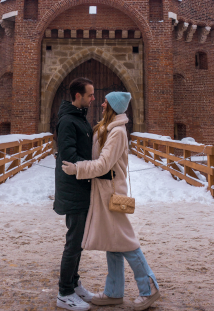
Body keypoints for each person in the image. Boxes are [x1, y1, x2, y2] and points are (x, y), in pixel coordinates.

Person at [62, 92, 161, 311]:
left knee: (126, 241)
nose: (103, 102)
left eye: (107, 101)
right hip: (104, 191)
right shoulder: (108, 128)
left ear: (113, 106)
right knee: (113, 242)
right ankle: (114, 292)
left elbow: (104, 164)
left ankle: (149, 287)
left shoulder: (117, 133)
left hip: (111, 192)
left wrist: (78, 168)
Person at [54, 77, 96, 311]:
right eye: (89, 95)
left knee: (78, 241)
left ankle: (74, 283)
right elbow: (69, 156)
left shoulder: (77, 117)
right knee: (73, 242)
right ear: (78, 96)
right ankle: (64, 292)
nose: (93, 98)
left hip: (80, 186)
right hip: (74, 188)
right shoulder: (69, 121)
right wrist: (97, 168)